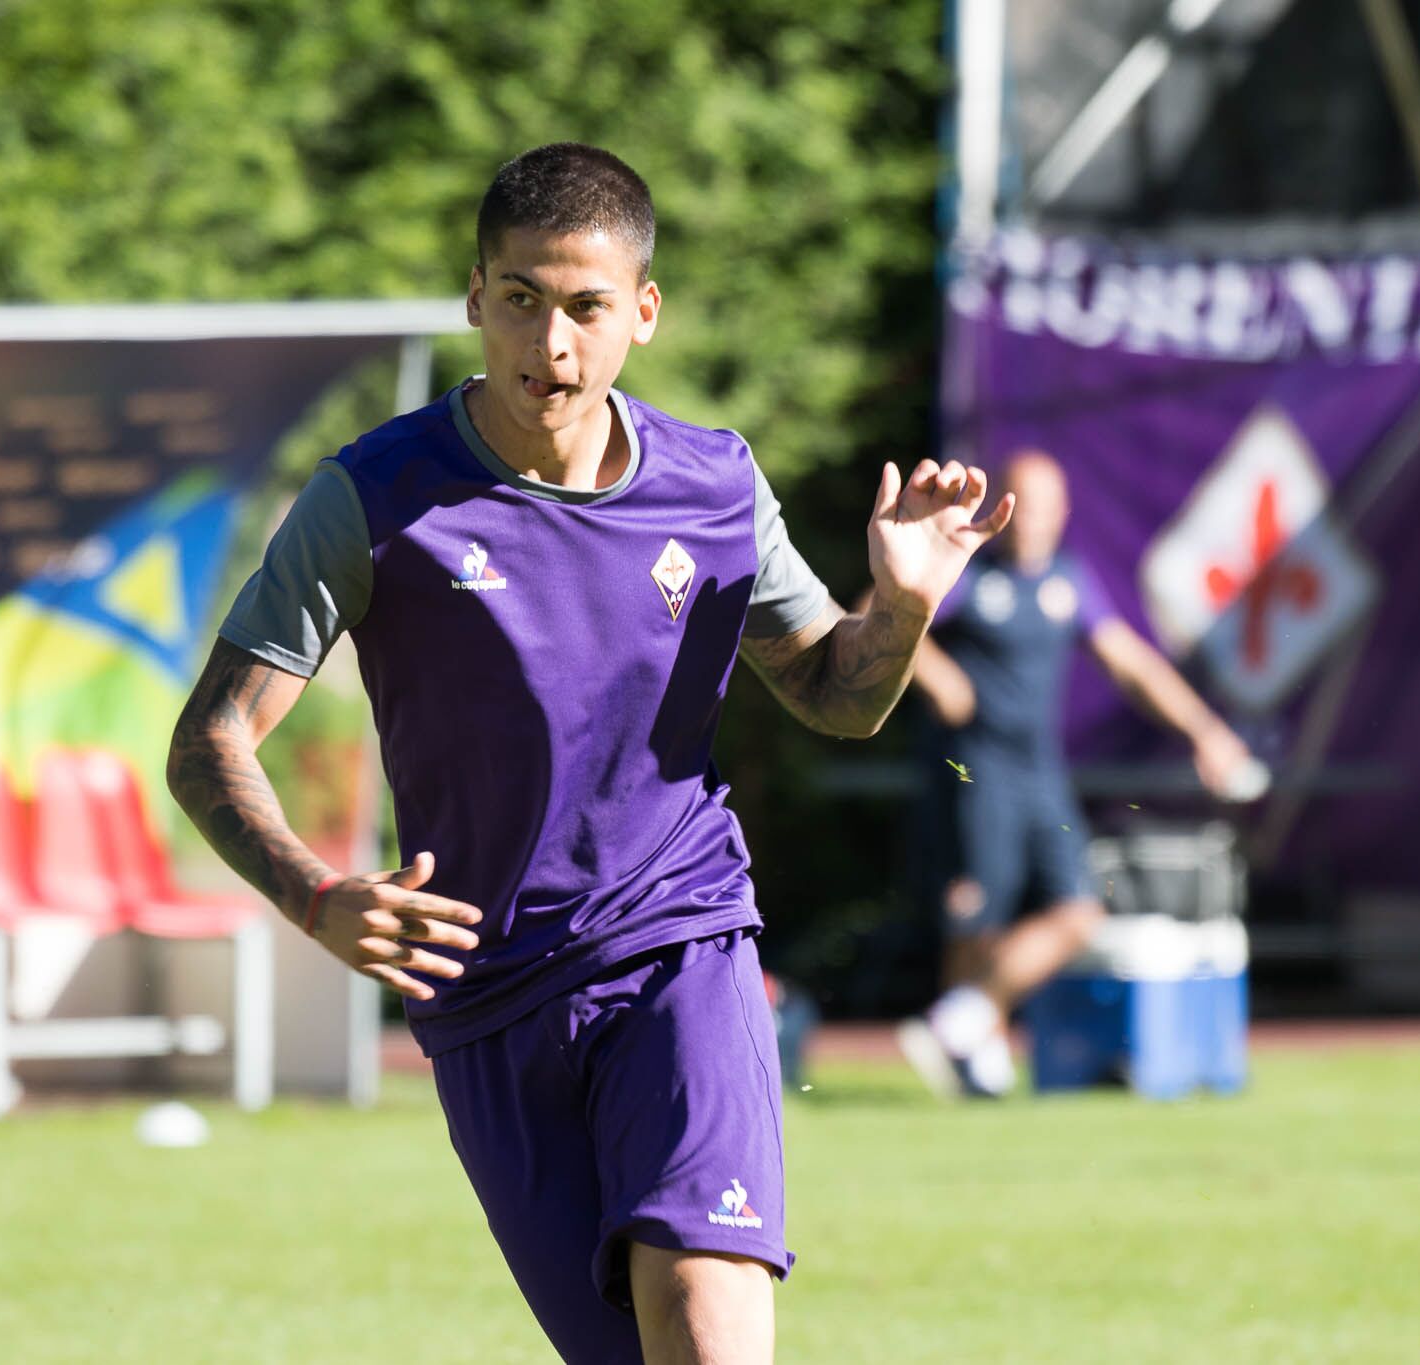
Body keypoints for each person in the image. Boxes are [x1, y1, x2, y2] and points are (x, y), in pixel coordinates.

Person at [165, 143, 1011, 1365]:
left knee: (708, 1328)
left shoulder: (715, 487)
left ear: (641, 314)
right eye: (519, 299)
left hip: (680, 942)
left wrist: (903, 607)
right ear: (473, 296)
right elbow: (210, 739)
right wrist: (314, 896)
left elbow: (836, 696)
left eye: (584, 308)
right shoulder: (374, 498)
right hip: (487, 992)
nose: (549, 345)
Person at [897, 450, 1259, 1100]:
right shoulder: (972, 577)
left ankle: (961, 1022)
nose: (1034, 518)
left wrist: (1204, 730)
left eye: (1047, 505)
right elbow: (883, 605)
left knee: (1079, 909)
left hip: (1042, 773)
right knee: (976, 921)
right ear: (1002, 506)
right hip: (978, 771)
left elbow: (1134, 664)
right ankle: (973, 1049)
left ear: (1063, 513)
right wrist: (936, 672)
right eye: (1023, 502)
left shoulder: (1068, 585)